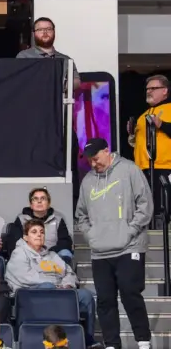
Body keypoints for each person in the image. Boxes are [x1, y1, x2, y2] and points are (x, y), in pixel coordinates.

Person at [76, 138, 152, 349]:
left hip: (129, 246)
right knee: (105, 299)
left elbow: (145, 204)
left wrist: (130, 230)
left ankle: (143, 341)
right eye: (90, 160)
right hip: (100, 251)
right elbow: (81, 215)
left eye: (96, 158)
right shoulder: (88, 181)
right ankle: (111, 344)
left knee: (130, 293)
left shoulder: (129, 170)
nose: (93, 163)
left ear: (107, 151)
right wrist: (91, 236)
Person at [5, 220, 96, 340]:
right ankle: (50, 337)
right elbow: (26, 278)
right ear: (25, 237)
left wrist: (67, 285)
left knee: (85, 296)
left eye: (42, 232)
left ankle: (88, 340)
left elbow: (69, 273)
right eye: (34, 232)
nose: (39, 235)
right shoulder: (19, 253)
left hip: (59, 291)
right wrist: (56, 285)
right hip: (30, 296)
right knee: (47, 287)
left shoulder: (52, 255)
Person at [133, 74, 171, 217]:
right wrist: (131, 134)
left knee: (164, 208)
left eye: (153, 88)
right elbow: (135, 143)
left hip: (165, 168)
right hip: (143, 170)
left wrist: (162, 125)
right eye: (147, 89)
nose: (149, 91)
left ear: (165, 90)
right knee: (148, 210)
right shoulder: (143, 116)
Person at [2, 187, 73, 261]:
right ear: (31, 204)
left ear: (48, 204)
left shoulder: (58, 219)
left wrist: (47, 253)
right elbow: (15, 243)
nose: (39, 201)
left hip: (52, 256)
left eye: (43, 198)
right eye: (35, 199)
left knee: (65, 252)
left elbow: (65, 242)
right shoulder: (21, 219)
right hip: (29, 256)